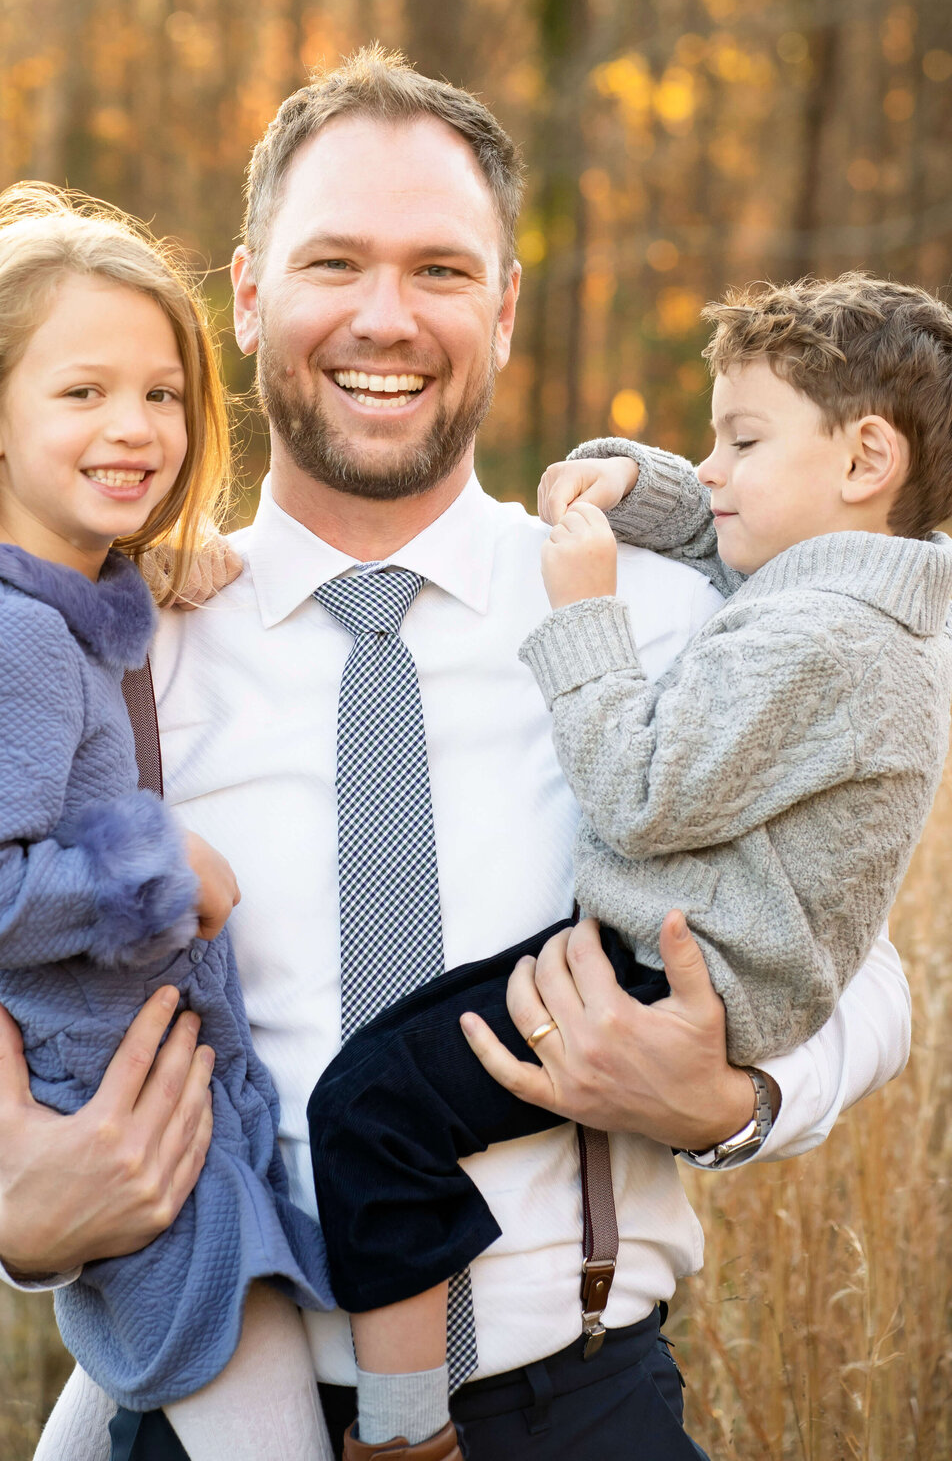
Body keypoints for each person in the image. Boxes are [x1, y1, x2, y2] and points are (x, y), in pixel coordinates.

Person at [0, 50, 912, 1461]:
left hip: (575, 1408)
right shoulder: (115, 643)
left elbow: (864, 972)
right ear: (249, 296)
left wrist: (734, 1101)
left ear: (504, 308)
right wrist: (5, 1221)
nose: (387, 318)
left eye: (441, 270)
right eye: (335, 263)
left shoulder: (663, 619)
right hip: (207, 1405)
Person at [304, 272, 952, 1457]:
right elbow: (718, 531)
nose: (710, 470)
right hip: (655, 953)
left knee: (370, 1109)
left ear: (865, 461)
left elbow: (640, 796)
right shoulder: (849, 586)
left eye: (740, 439)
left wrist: (582, 613)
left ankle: (401, 1432)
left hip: (660, 984)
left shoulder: (823, 641)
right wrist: (628, 480)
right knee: (377, 1085)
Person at [0, 184, 333, 1456]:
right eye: (82, 394)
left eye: (161, 395)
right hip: (95, 1097)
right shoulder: (13, 636)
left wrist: (148, 568)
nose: (134, 427)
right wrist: (160, 867)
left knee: (159, 1362)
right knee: (238, 1365)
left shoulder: (40, 604)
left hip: (102, 1071)